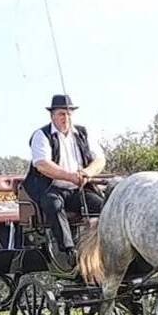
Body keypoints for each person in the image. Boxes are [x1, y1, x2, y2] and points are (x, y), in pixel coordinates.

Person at [22, 94, 106, 272]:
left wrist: (87, 172)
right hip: (51, 188)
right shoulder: (41, 135)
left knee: (104, 207)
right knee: (53, 204)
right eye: (61, 114)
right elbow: (43, 164)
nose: (65, 118)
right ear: (52, 115)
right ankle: (69, 251)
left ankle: (101, 250)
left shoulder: (82, 133)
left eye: (68, 114)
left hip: (78, 189)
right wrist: (70, 176)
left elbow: (100, 159)